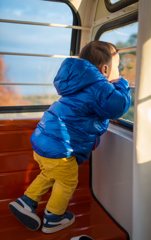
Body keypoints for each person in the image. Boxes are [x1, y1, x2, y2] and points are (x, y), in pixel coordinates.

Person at [9, 41, 131, 234]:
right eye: (118, 67)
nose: (119, 72)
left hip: (43, 141)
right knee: (67, 182)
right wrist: (122, 83)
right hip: (60, 148)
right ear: (105, 69)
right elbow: (118, 106)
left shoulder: (77, 83)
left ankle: (26, 201)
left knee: (49, 174)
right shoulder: (99, 86)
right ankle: (53, 218)